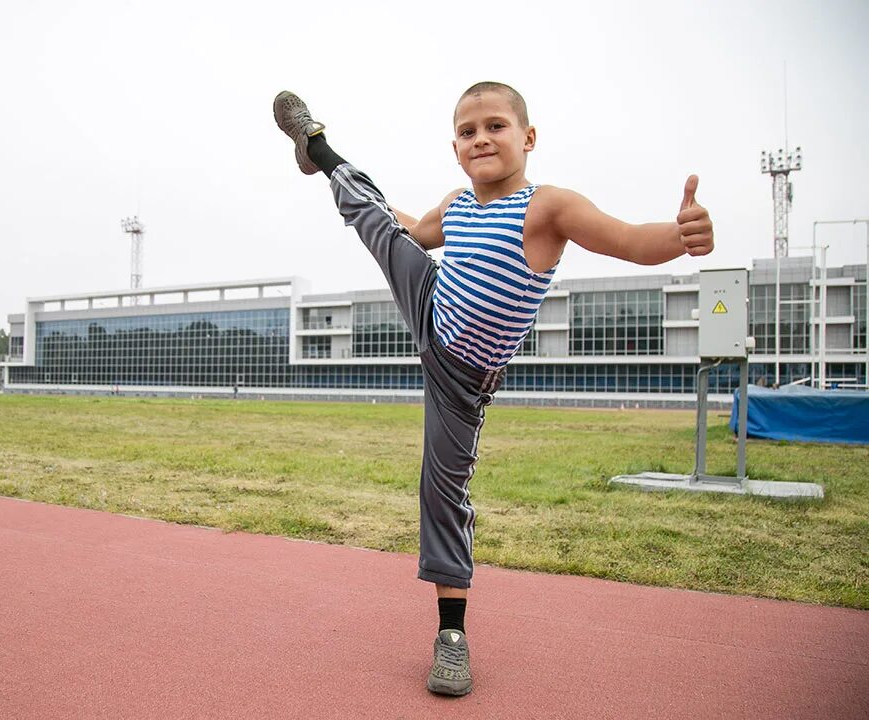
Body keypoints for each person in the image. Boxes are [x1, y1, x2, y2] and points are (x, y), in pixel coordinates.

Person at [272, 83, 714, 697]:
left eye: (496, 126)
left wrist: (680, 236)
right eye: (468, 131)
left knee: (442, 488)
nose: (481, 138)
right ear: (456, 148)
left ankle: (451, 637)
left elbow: (630, 239)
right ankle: (317, 147)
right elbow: (411, 231)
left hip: (462, 376)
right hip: (430, 300)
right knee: (374, 220)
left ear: (527, 138)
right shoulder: (456, 205)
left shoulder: (547, 207)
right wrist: (364, 206)